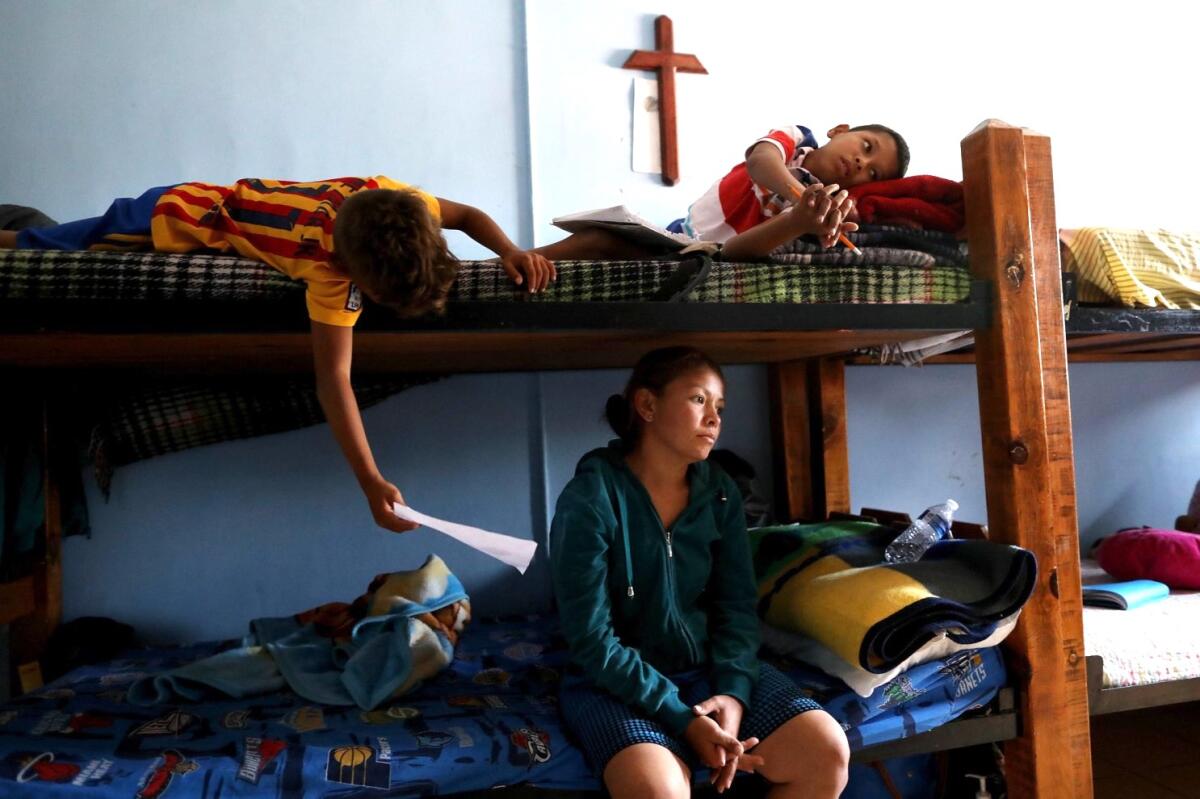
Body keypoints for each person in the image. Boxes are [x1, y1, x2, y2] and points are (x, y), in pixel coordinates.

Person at [0, 178, 555, 534]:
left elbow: (468, 214)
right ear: (354, 276)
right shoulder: (325, 267)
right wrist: (369, 480)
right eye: (379, 301)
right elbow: (334, 381)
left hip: (207, 195)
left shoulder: (393, 197)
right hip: (171, 217)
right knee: (38, 249)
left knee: (43, 238)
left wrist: (511, 251)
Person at [549, 346, 849, 798]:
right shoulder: (590, 499)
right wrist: (684, 720)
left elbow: (736, 608)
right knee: (658, 792)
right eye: (698, 400)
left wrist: (731, 693)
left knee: (825, 753)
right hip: (615, 682)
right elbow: (593, 642)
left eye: (720, 407)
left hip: (705, 669)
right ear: (647, 405)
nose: (714, 418)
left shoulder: (720, 494)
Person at [536, 122, 909, 263]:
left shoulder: (825, 206)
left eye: (873, 171)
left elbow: (737, 253)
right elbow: (760, 162)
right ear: (838, 130)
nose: (861, 161)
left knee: (601, 242)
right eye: (866, 145)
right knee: (598, 237)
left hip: (712, 257)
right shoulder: (796, 139)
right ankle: (510, 265)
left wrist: (803, 218)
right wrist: (798, 196)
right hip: (680, 233)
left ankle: (510, 270)